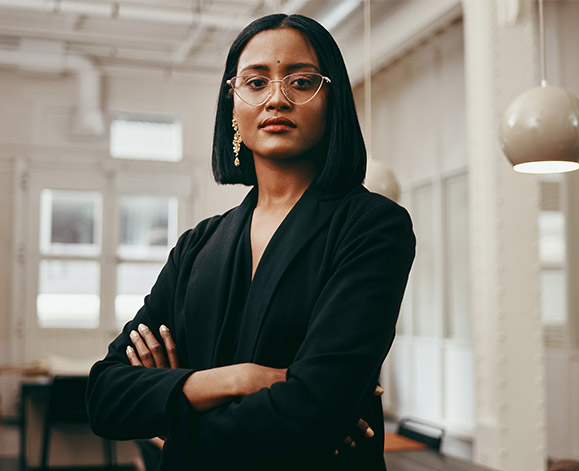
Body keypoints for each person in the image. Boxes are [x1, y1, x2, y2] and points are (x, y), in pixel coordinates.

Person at [86, 13, 415, 471]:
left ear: (332, 99)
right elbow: (105, 396)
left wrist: (173, 406)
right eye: (255, 82)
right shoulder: (197, 244)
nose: (276, 98)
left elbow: (312, 412)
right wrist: (241, 379)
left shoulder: (373, 226)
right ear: (233, 104)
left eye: (301, 82)